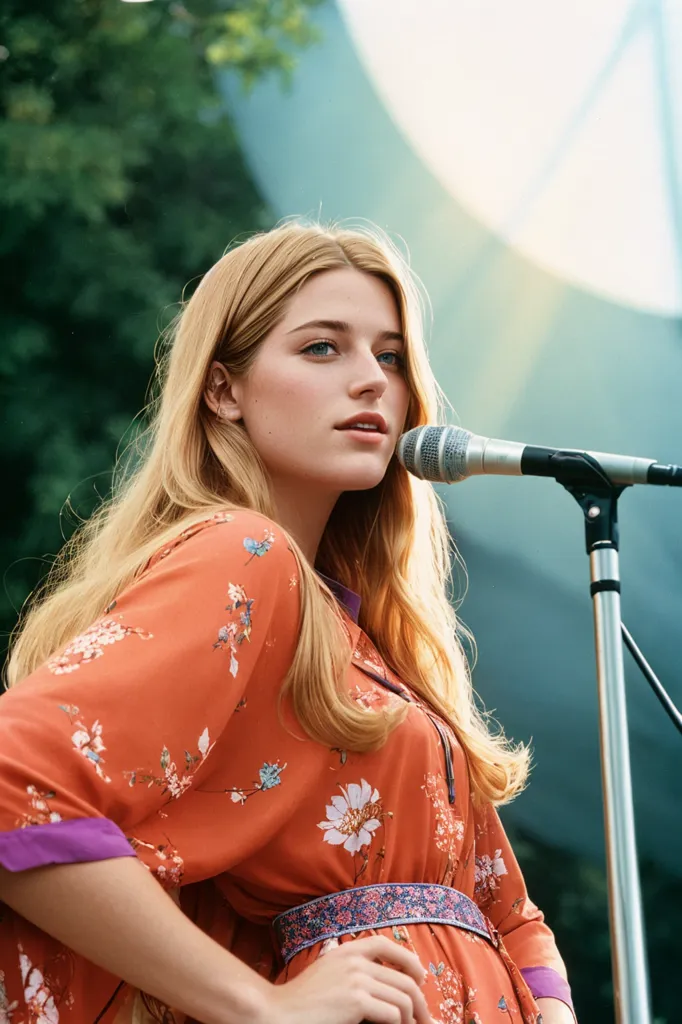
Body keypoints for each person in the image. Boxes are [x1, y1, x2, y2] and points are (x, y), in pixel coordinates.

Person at [0, 220, 576, 1024]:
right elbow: (14, 782)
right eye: (321, 348)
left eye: (390, 355)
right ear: (223, 389)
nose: (372, 381)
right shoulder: (242, 556)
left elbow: (503, 905)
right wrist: (260, 1005)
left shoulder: (374, 639)